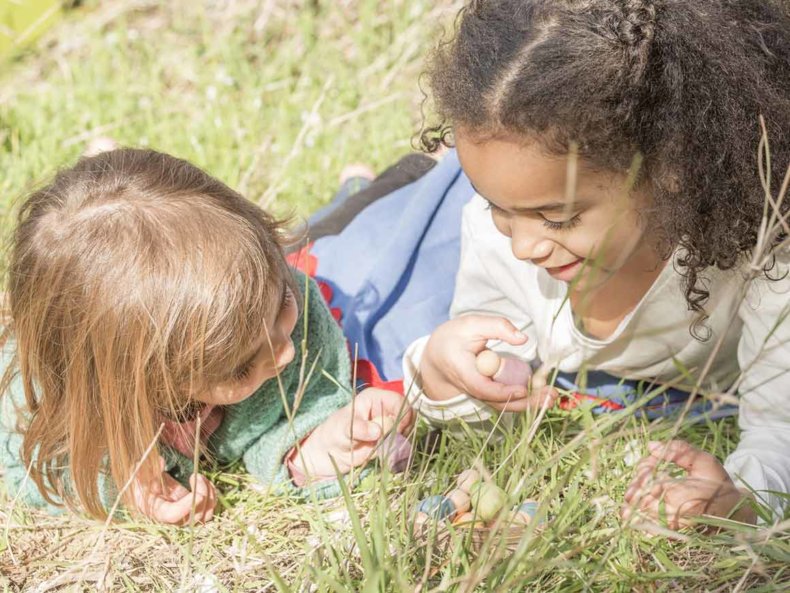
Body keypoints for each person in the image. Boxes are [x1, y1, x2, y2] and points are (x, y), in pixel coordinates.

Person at [402, 0, 790, 527]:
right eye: (497, 206)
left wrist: (739, 501)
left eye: (556, 217)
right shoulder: (500, 229)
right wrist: (444, 375)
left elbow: (780, 433)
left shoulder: (764, 252)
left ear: (668, 170)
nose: (522, 247)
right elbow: (489, 384)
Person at [0, 148, 412, 524]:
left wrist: (325, 438)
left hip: (323, 244)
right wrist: (126, 491)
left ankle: (365, 184)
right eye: (239, 369)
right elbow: (30, 469)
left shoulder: (283, 300)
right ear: (140, 381)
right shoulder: (45, 399)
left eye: (281, 303)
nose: (284, 352)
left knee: (358, 219)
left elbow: (306, 405)